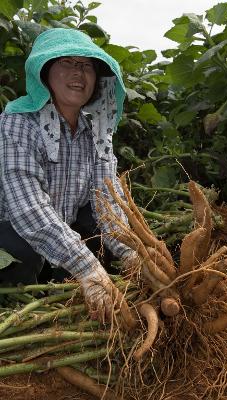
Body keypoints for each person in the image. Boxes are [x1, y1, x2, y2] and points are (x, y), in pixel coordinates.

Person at [0, 28, 139, 322]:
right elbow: (28, 210)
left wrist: (133, 255)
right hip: (12, 230)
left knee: (99, 230)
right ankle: (18, 312)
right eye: (66, 62)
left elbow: (108, 199)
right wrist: (86, 266)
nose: (78, 73)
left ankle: (69, 291)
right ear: (45, 73)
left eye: (86, 65)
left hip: (61, 227)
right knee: (23, 252)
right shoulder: (17, 123)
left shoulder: (95, 131)